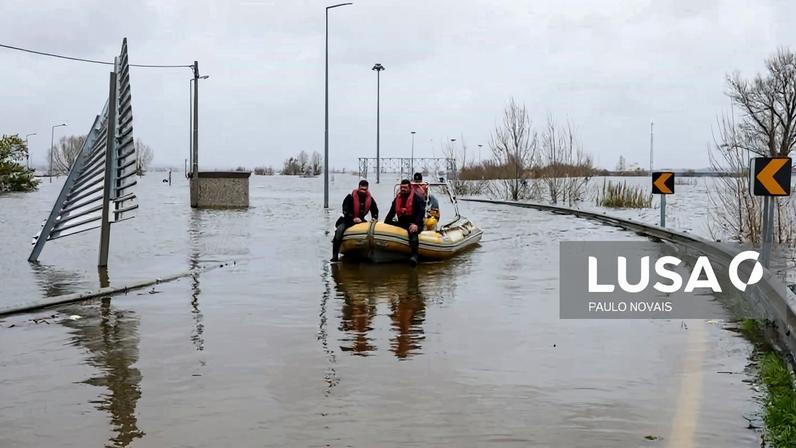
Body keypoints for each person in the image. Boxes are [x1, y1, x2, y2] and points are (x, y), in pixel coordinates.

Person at [331, 180, 378, 262]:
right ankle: (335, 256)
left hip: (361, 220)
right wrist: (353, 218)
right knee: (340, 230)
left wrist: (374, 217)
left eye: (365, 189)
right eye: (362, 189)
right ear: (358, 188)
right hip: (347, 219)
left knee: (370, 230)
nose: (363, 191)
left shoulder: (370, 199)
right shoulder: (350, 197)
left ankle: (367, 253)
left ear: (367, 189)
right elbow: (345, 210)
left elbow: (375, 210)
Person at [384, 179, 426, 265]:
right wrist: (386, 222)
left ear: (410, 188)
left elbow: (421, 212)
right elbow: (391, 212)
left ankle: (415, 255)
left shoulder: (417, 198)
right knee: (387, 222)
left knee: (412, 232)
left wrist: (416, 224)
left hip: (414, 223)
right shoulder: (397, 199)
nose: (403, 189)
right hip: (402, 223)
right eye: (401, 187)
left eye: (405, 187)